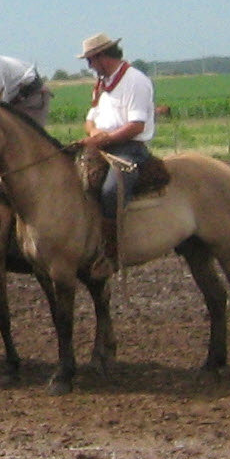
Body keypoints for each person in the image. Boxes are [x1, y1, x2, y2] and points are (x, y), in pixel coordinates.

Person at [76, 33, 157, 279]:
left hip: (128, 149)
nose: (89, 66)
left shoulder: (135, 81)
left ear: (102, 57)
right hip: (102, 146)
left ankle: (111, 254)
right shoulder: (102, 83)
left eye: (90, 60)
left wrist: (106, 138)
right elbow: (90, 119)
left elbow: (136, 125)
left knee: (112, 190)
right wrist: (95, 133)